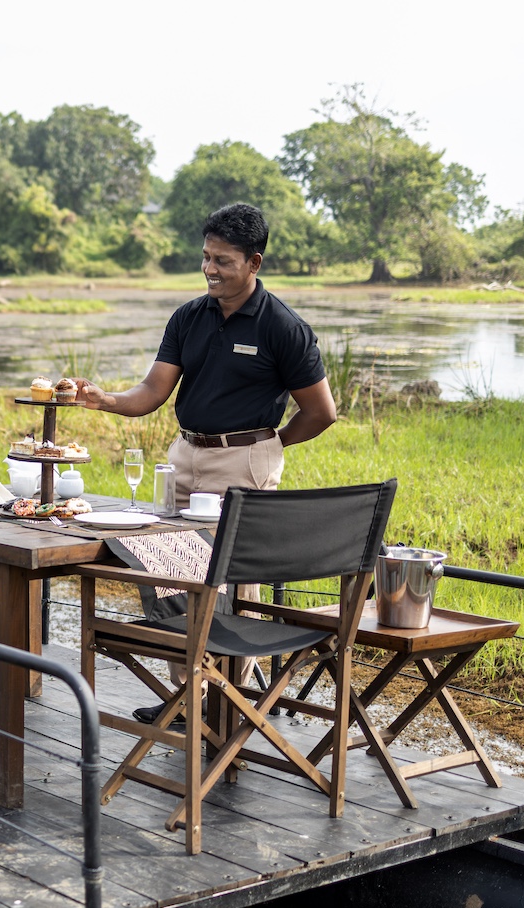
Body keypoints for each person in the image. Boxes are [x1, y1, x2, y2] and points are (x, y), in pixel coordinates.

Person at [72, 202, 337, 727]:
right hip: (184, 456)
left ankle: (229, 704)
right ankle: (189, 697)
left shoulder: (284, 328)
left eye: (223, 260)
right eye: (206, 257)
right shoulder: (189, 317)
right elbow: (153, 390)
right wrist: (106, 400)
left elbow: (321, 412)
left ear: (254, 262)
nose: (210, 269)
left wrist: (266, 446)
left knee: (230, 584)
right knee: (168, 570)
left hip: (243, 462)